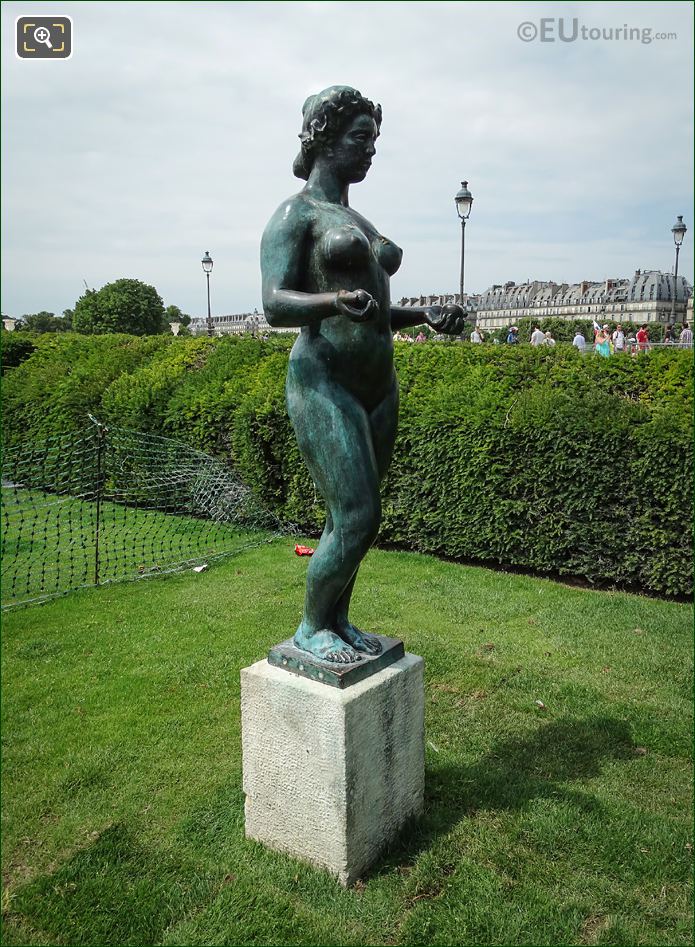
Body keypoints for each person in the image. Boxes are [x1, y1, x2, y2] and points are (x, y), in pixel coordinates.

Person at [261, 86, 464, 664]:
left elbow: (371, 311)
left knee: (350, 518)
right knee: (359, 514)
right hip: (323, 380)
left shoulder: (356, 218)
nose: (371, 150)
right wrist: (330, 303)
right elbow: (274, 305)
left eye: (374, 140)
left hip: (377, 386)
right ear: (324, 138)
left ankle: (338, 622)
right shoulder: (293, 215)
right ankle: (310, 628)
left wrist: (423, 315)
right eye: (360, 138)